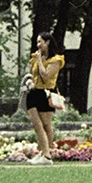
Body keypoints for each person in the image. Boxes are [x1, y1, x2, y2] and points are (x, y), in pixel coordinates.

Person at [25, 31, 64, 165]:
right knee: (36, 124)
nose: (38, 45)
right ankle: (44, 153)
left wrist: (41, 61)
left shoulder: (56, 60)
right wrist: (28, 81)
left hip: (45, 93)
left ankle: (46, 155)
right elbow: (31, 74)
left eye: (40, 42)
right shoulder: (34, 58)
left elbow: (45, 76)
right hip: (33, 92)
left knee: (46, 125)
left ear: (47, 43)